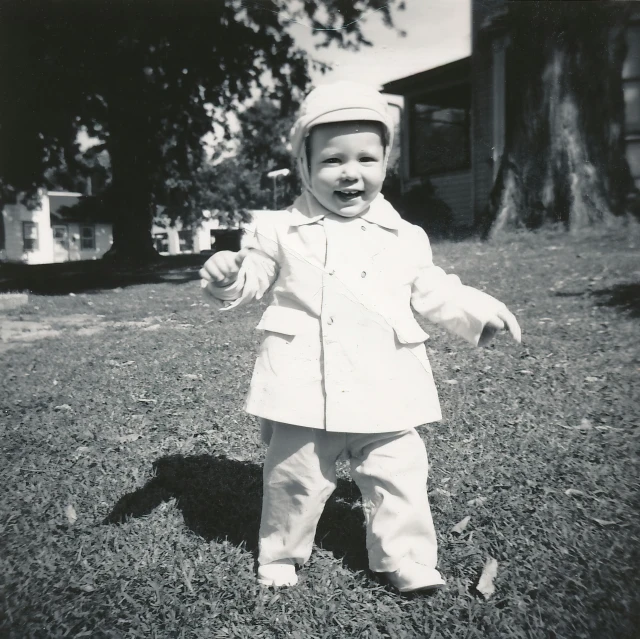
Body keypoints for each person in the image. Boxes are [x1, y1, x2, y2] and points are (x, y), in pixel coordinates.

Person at [199, 81, 521, 593]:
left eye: (367, 159)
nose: (351, 172)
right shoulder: (278, 231)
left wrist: (478, 312)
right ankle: (282, 551)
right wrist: (229, 277)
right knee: (294, 477)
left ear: (386, 162)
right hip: (306, 382)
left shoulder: (405, 235)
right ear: (304, 166)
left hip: (384, 380)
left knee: (400, 474)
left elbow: (432, 289)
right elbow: (254, 276)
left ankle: (406, 558)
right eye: (332, 161)